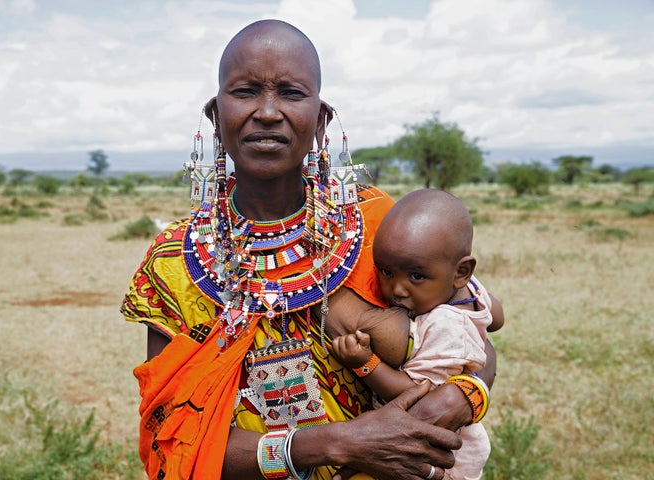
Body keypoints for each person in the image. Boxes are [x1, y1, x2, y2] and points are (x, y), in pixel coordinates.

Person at [120, 19, 498, 480]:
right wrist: (334, 443)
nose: (267, 111)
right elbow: (172, 439)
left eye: (291, 93)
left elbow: (470, 329)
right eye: (244, 91)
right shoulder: (174, 263)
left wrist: (464, 393)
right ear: (215, 118)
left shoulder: (379, 222)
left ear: (321, 121)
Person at [328, 189, 505, 480]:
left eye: (416, 276)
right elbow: (495, 318)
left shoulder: (444, 326)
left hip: (436, 457)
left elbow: (416, 395)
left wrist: (365, 363)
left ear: (461, 271)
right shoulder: (470, 289)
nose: (396, 289)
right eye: (385, 271)